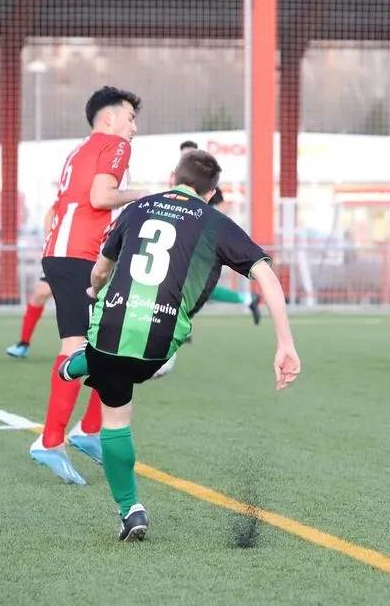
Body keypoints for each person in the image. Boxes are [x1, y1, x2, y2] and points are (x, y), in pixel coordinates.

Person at [57, 149, 301, 541]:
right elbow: (266, 277)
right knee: (136, 363)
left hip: (110, 330)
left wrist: (95, 288)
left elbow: (101, 269)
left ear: (173, 177)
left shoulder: (137, 208)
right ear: (211, 193)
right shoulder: (215, 221)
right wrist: (285, 344)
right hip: (160, 345)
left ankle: (130, 510)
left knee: (114, 414)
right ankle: (88, 362)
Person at [29, 86, 151, 486]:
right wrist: (145, 195)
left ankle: (88, 431)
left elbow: (64, 206)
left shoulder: (80, 150)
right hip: (77, 256)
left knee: (112, 341)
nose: (134, 127)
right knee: (78, 345)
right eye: (130, 118)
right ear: (109, 118)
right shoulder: (116, 145)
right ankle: (51, 441)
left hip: (73, 254)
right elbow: (100, 197)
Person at [172, 140, 262, 330]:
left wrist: (207, 226)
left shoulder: (207, 183)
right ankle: (247, 299)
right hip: (181, 238)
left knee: (190, 283)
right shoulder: (177, 181)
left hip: (197, 241)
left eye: (189, 153)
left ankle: (176, 323)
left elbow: (220, 207)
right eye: (183, 155)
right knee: (187, 283)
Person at [6, 204, 57, 359]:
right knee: (40, 294)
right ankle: (23, 343)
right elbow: (49, 215)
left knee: (83, 302)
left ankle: (91, 347)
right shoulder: (66, 195)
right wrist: (50, 242)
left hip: (87, 254)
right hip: (61, 254)